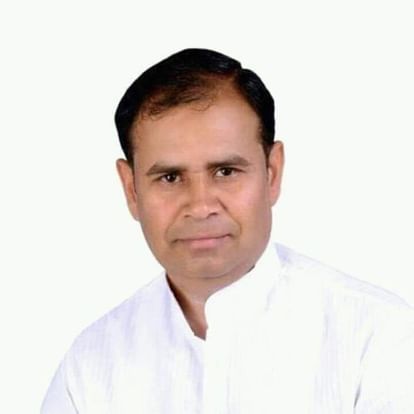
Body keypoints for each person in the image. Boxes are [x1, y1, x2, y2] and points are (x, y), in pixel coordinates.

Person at [41, 49, 414, 413]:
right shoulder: (90, 368)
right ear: (132, 190)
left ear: (272, 173)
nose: (201, 205)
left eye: (226, 171)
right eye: (169, 177)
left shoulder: (377, 338)